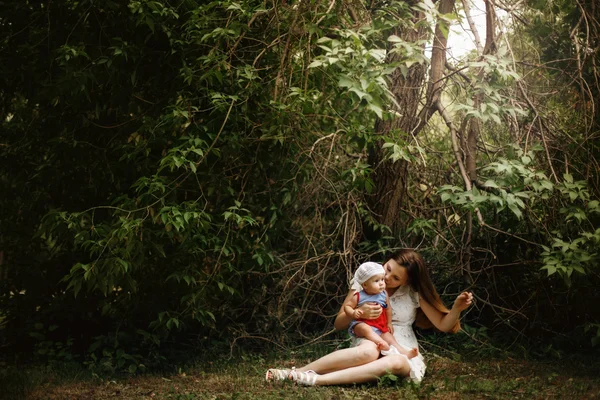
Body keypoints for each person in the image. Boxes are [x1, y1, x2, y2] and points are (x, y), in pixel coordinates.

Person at [265, 248, 473, 386]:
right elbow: (339, 323)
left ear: (406, 282)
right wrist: (360, 313)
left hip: (400, 344)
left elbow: (443, 325)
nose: (387, 278)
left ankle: (317, 381)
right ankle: (296, 372)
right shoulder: (364, 282)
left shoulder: (412, 293)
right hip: (369, 337)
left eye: (395, 278)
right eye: (388, 269)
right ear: (387, 261)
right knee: (369, 352)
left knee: (398, 362)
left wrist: (456, 309)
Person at [344, 261, 418, 359]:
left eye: (382, 279)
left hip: (379, 325)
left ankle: (404, 353)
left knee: (390, 338)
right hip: (361, 323)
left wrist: (389, 323)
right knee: (366, 329)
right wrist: (353, 313)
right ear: (365, 285)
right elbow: (347, 307)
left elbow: (388, 309)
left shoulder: (383, 294)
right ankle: (380, 342)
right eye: (376, 281)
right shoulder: (358, 296)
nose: (382, 283)